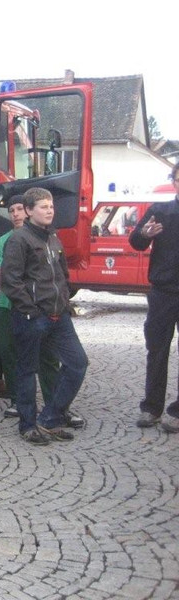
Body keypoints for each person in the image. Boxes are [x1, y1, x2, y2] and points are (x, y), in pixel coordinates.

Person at [0, 187, 88, 445]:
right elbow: (10, 281)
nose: (49, 210)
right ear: (29, 211)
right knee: (27, 371)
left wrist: (65, 302)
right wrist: (31, 311)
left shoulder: (53, 237)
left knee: (78, 363)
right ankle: (27, 425)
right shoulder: (19, 239)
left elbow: (62, 275)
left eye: (51, 206)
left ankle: (50, 418)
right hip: (32, 317)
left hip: (59, 315)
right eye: (43, 206)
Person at [0, 194, 62, 421]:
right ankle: (18, 400)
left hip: (40, 306)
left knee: (47, 356)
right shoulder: (3, 242)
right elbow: (4, 278)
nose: (15, 214)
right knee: (10, 353)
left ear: (28, 210)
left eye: (18, 209)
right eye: (11, 211)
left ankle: (55, 404)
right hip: (7, 303)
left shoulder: (48, 237)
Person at [129, 163, 179, 433]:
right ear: (174, 182)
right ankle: (152, 407)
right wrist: (143, 234)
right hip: (163, 292)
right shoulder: (160, 211)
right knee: (157, 350)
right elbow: (136, 241)